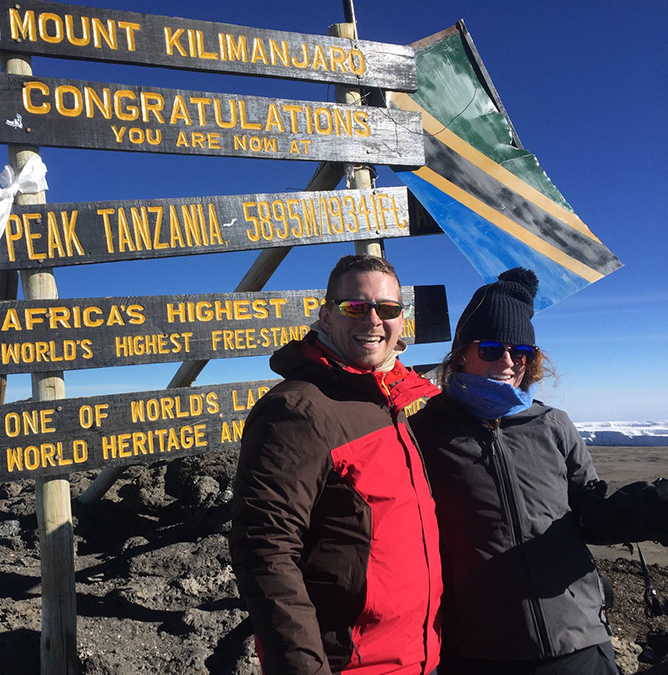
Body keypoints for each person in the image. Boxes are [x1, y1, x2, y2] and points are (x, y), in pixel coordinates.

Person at [409, 267, 668, 675]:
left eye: (521, 352)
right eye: (492, 348)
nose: (508, 362)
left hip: (579, 637)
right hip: (483, 649)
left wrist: (651, 508)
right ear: (462, 352)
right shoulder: (424, 434)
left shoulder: (553, 424)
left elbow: (589, 513)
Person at [229, 254, 442, 675]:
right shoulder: (298, 409)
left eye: (387, 308)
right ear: (326, 317)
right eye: (355, 307)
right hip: (352, 664)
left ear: (402, 319)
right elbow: (265, 551)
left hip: (421, 657)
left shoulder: (390, 404)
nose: (373, 320)